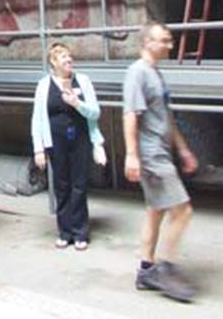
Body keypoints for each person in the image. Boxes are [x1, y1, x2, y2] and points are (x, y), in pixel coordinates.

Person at [123, 22, 199, 302]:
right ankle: (164, 270)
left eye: (170, 40)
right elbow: (130, 115)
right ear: (147, 42)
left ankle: (146, 269)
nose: (170, 44)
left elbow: (166, 117)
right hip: (151, 154)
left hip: (162, 151)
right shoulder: (137, 73)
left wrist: (183, 150)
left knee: (155, 210)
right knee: (183, 210)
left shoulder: (155, 74)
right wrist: (132, 154)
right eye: (164, 40)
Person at [31, 42, 106, 251]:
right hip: (55, 142)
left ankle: (81, 232)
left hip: (80, 140)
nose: (68, 60)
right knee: (61, 186)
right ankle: (65, 232)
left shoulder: (83, 81)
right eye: (63, 57)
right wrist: (39, 148)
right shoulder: (44, 86)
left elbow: (95, 113)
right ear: (53, 63)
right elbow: (37, 119)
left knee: (79, 185)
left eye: (69, 56)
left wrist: (77, 104)